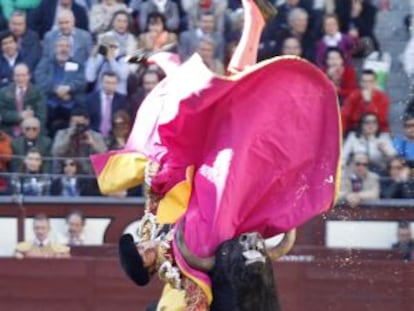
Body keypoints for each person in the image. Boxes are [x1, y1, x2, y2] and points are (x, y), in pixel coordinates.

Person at [93, 0, 340, 309]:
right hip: (218, 204)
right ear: (148, 267)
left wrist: (155, 174)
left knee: (233, 104)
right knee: (234, 115)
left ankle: (253, 24)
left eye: (140, 244)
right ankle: (247, 28)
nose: (144, 245)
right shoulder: (175, 279)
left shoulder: (155, 227)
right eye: (142, 253)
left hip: (210, 189)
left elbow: (161, 182)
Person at [35, 36, 85, 137]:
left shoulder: (76, 64)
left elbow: (82, 81)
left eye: (67, 46)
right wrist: (55, 89)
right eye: (61, 46)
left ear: (71, 49)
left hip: (70, 104)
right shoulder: (46, 63)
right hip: (49, 104)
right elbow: (40, 79)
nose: (64, 49)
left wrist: (69, 88)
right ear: (55, 48)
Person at [52, 108, 107, 175]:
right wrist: (68, 137)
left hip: (88, 174)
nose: (78, 127)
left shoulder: (95, 136)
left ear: (87, 122)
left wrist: (92, 143)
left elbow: (105, 154)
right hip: (66, 172)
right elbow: (55, 151)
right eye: (75, 124)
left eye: (80, 124)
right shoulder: (62, 133)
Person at [0, 63, 46, 137]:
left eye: (23, 75)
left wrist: (30, 125)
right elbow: (2, 113)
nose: (20, 79)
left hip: (32, 130)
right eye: (17, 75)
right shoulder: (3, 92)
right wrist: (19, 116)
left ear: (29, 76)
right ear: (13, 77)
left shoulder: (38, 93)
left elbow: (42, 116)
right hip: (8, 131)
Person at [341, 69, 390, 135]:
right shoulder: (354, 96)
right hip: (356, 130)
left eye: (370, 82)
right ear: (360, 83)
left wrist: (368, 102)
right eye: (364, 81)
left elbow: (379, 120)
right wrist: (340, 134)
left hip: (377, 131)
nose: (367, 84)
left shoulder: (383, 98)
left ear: (375, 83)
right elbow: (344, 116)